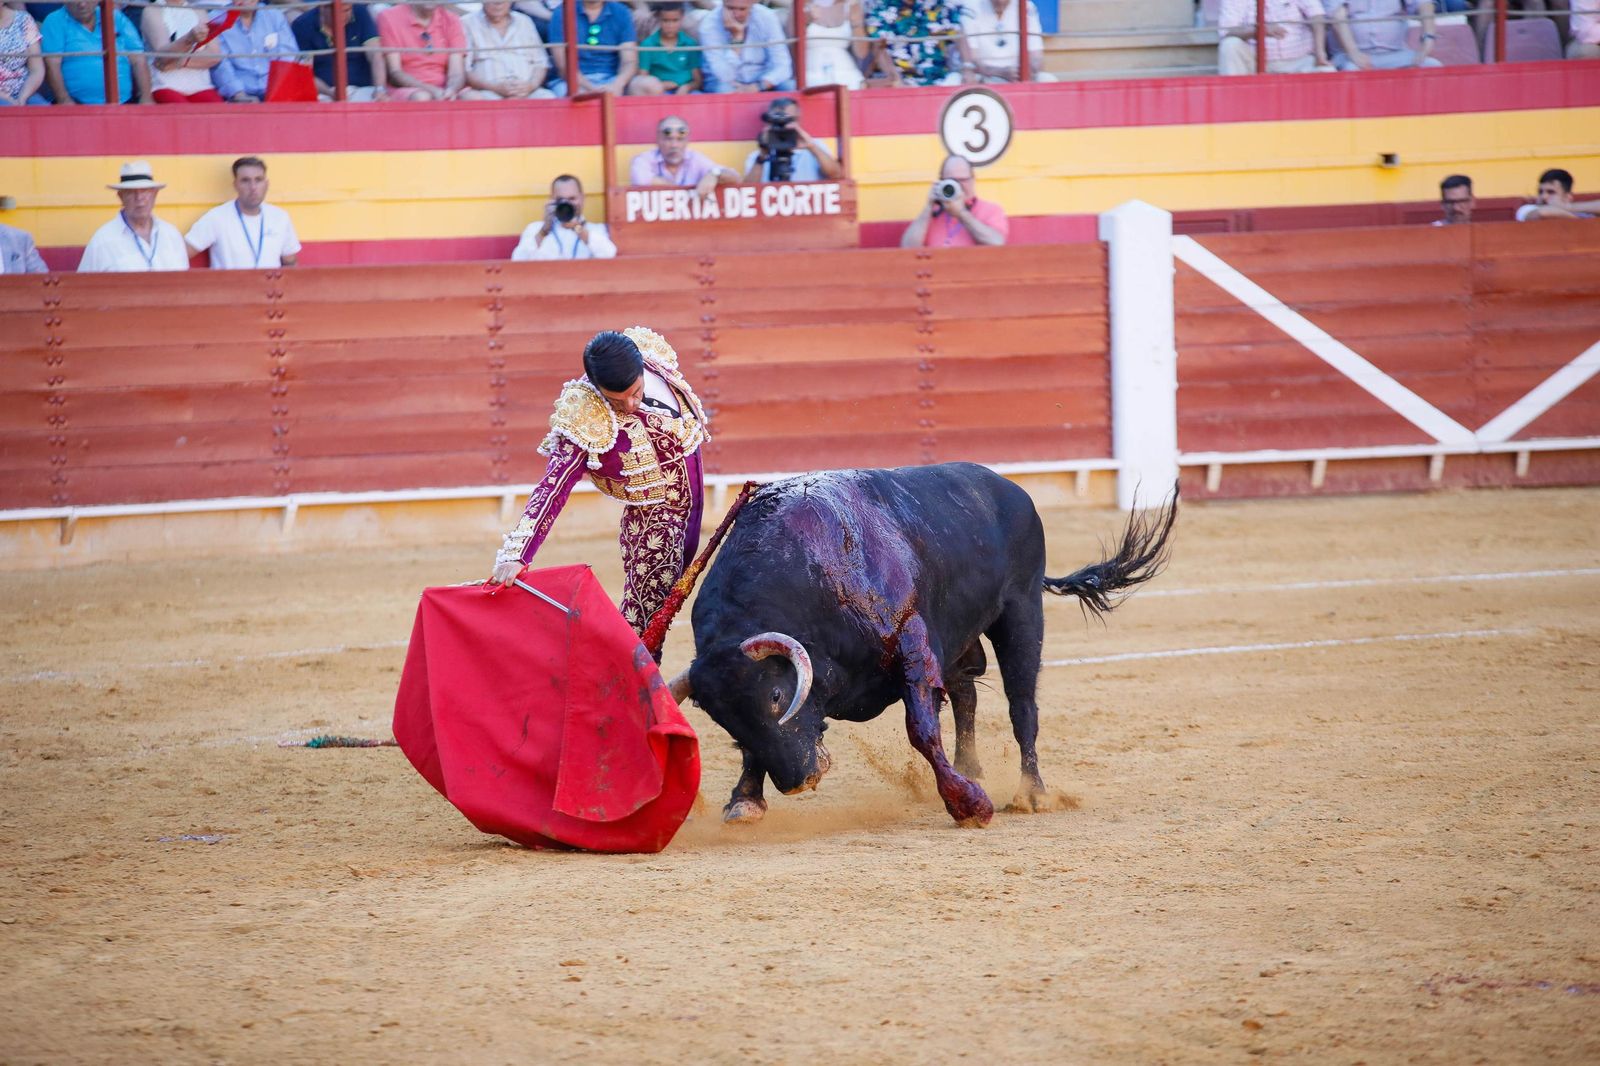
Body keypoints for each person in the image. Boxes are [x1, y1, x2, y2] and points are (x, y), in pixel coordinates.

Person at [488, 327, 709, 640]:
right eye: (617, 400)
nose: (630, 405)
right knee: (642, 627)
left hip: (694, 517)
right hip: (653, 529)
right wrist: (517, 554)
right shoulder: (585, 413)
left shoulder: (655, 362)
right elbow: (553, 487)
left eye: (636, 392)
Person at [185, 157, 302, 269]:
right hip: (231, 284)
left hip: (268, 284)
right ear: (235, 185)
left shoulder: (280, 217)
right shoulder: (216, 217)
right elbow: (181, 255)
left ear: (266, 184)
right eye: (245, 181)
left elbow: (290, 262)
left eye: (258, 180)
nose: (253, 187)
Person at [79, 162, 189, 273]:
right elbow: (82, 283)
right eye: (131, 192)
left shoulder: (172, 235)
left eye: (144, 191)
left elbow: (184, 281)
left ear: (154, 194)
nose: (139, 198)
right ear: (121, 197)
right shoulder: (102, 241)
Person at [41, 0, 153, 105]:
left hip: (124, 103)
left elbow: (138, 60)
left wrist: (146, 97)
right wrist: (64, 100)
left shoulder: (116, 17)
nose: (82, 4)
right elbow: (52, 65)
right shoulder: (54, 21)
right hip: (77, 105)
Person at [899, 154, 1008, 248]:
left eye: (962, 180)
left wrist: (961, 213)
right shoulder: (932, 214)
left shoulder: (991, 210)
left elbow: (996, 242)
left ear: (973, 179)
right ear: (941, 181)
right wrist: (928, 207)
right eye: (951, 181)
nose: (957, 185)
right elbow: (908, 247)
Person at [291, 0, 388, 101]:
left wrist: (380, 89)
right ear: (322, 7)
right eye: (339, 11)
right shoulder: (302, 25)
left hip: (362, 89)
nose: (343, 16)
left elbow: (375, 55)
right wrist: (330, 93)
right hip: (324, 93)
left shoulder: (360, 12)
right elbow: (305, 73)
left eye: (347, 10)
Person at [866, 0, 976, 87]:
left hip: (941, 79)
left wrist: (968, 68)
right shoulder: (880, 7)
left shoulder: (940, 5)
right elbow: (878, 47)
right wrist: (897, 80)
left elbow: (959, 35)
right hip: (902, 81)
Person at [628, 115, 741, 197]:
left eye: (680, 139)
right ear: (658, 140)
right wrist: (686, 192)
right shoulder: (644, 160)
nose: (674, 145)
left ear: (687, 141)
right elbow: (641, 179)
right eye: (668, 139)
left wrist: (715, 174)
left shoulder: (695, 158)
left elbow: (736, 177)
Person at [511, 174, 617, 259]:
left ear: (582, 199)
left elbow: (609, 254)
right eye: (560, 199)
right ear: (551, 200)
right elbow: (518, 259)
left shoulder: (596, 230)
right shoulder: (535, 229)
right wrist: (543, 232)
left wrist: (578, 228)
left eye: (572, 199)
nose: (567, 204)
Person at [378, 0, 468, 101]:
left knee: (473, 97)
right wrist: (432, 90)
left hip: (444, 87)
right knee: (422, 97)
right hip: (407, 88)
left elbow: (457, 72)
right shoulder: (389, 17)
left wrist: (451, 90)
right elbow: (395, 72)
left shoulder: (452, 19)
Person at [212, 0, 300, 102]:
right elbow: (221, 66)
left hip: (277, 91)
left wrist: (278, 91)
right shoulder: (216, 19)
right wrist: (239, 95)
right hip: (237, 95)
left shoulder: (274, 15)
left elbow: (288, 55)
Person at [697, 0, 794, 93]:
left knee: (790, 86)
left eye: (742, 9)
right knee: (724, 90)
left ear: (752, 5)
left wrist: (759, 86)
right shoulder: (709, 24)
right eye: (730, 8)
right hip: (725, 82)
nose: (736, 14)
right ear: (723, 3)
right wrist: (737, 38)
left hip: (762, 79)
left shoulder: (766, 17)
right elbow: (724, 76)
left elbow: (783, 66)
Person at [464, 0, 553, 99]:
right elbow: (465, 69)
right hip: (488, 92)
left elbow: (541, 63)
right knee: (473, 98)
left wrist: (531, 86)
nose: (498, 3)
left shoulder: (524, 21)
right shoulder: (467, 23)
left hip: (527, 91)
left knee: (548, 98)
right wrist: (495, 87)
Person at [741, 96, 843, 182]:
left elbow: (837, 175)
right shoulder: (757, 156)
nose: (784, 126)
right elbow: (748, 190)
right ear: (768, 123)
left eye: (789, 120)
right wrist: (762, 156)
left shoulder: (815, 147)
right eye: (777, 121)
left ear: (798, 121)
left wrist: (812, 147)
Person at [547, 0, 638, 96]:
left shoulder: (621, 12)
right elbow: (564, 66)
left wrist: (617, 84)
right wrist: (593, 89)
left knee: (644, 85)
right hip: (571, 82)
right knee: (581, 98)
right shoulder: (562, 12)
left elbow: (629, 61)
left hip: (612, 80)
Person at [1217, 0, 1335, 74]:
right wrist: (1259, 30)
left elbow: (1317, 16)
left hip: (1299, 61)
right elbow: (1227, 31)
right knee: (1230, 44)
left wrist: (1320, 53)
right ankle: (1234, 103)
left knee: (1327, 72)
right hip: (1255, 64)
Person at [141, 0, 223, 103]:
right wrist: (189, 39)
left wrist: (177, 62)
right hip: (165, 86)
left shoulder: (200, 11)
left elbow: (214, 56)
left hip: (202, 86)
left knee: (224, 112)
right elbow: (163, 56)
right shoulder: (152, 11)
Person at [1326, 0, 1442, 69]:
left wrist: (1428, 40)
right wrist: (1354, 53)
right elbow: (1338, 17)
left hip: (1395, 53)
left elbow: (1424, 4)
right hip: (1349, 56)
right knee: (1351, 70)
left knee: (1431, 65)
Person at [961, 0, 1056, 82]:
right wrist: (1000, 72)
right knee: (957, 80)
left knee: (1047, 79)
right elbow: (972, 59)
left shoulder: (1027, 7)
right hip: (984, 75)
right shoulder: (971, 7)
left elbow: (1036, 56)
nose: (1000, 2)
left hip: (1018, 74)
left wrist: (1031, 69)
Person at [629, 1, 702, 95]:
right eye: (665, 21)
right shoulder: (648, 45)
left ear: (682, 18)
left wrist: (687, 87)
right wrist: (661, 86)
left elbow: (698, 80)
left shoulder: (689, 43)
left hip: (687, 91)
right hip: (659, 91)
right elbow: (642, 78)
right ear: (658, 19)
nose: (670, 26)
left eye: (675, 20)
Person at [803, 0, 867, 90]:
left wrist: (856, 24)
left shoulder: (851, 5)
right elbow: (792, 51)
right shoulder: (801, 5)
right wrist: (805, 22)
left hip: (848, 77)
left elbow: (861, 54)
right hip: (811, 77)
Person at [0, 3, 45, 105]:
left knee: (44, 110)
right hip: (2, 97)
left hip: (25, 91)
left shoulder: (23, 20)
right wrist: (9, 100)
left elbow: (37, 69)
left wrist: (23, 97)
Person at [1515, 168, 1600, 220]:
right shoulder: (1527, 209)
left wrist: (1567, 207)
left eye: (1551, 192)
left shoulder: (1582, 214)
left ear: (1567, 197)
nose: (1544, 197)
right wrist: (1581, 223)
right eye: (1540, 192)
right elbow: (1543, 213)